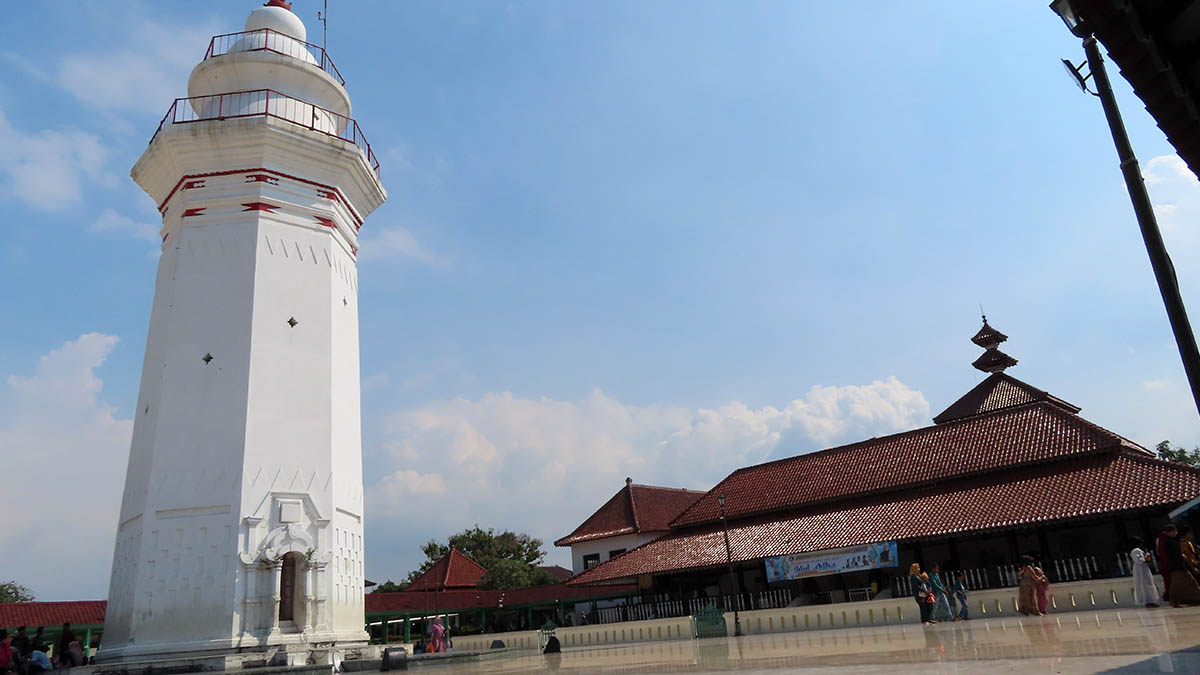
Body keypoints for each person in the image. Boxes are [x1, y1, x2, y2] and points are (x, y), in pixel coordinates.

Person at [1163, 526, 1200, 606]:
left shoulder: (1173, 541)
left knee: (1179, 584)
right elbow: (1174, 555)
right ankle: (1193, 598)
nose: (1176, 532)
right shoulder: (1169, 542)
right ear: (1170, 532)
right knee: (1187, 583)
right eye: (1175, 531)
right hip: (1177, 566)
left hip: (1179, 565)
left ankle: (1177, 600)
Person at [1130, 536, 1162, 608]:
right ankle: (1148, 601)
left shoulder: (1138, 551)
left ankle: (1151, 600)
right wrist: (1146, 558)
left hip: (1143, 569)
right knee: (1144, 584)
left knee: (1147, 584)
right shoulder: (1136, 551)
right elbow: (1139, 560)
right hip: (1141, 570)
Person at [1158, 524, 1177, 602]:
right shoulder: (1165, 540)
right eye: (1175, 531)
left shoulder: (1162, 539)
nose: (1176, 533)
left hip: (1166, 564)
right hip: (1169, 564)